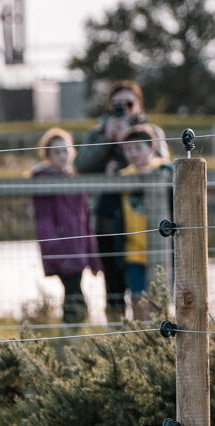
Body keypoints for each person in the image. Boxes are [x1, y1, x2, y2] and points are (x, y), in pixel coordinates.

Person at [74, 80, 146, 322]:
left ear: (138, 105)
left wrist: (127, 142)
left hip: (141, 220)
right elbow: (82, 166)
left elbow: (158, 163)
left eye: (129, 103)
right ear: (109, 105)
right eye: (118, 104)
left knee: (144, 288)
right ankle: (116, 342)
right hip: (106, 218)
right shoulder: (96, 133)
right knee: (112, 287)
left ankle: (147, 341)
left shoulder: (150, 132)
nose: (123, 108)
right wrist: (107, 138)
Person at [30, 128, 100, 324]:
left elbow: (85, 220)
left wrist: (93, 257)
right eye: (56, 152)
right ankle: (71, 336)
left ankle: (71, 337)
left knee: (74, 292)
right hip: (62, 247)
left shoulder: (75, 182)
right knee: (74, 295)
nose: (62, 155)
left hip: (78, 248)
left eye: (65, 150)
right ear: (48, 156)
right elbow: (43, 219)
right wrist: (55, 249)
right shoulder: (43, 181)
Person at [117, 124, 172, 320]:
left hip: (160, 247)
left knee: (160, 298)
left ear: (152, 147)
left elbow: (171, 170)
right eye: (128, 149)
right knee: (137, 298)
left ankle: (159, 338)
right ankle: (142, 338)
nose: (133, 154)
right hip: (133, 249)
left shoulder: (162, 169)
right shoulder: (122, 176)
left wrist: (150, 171)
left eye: (138, 148)